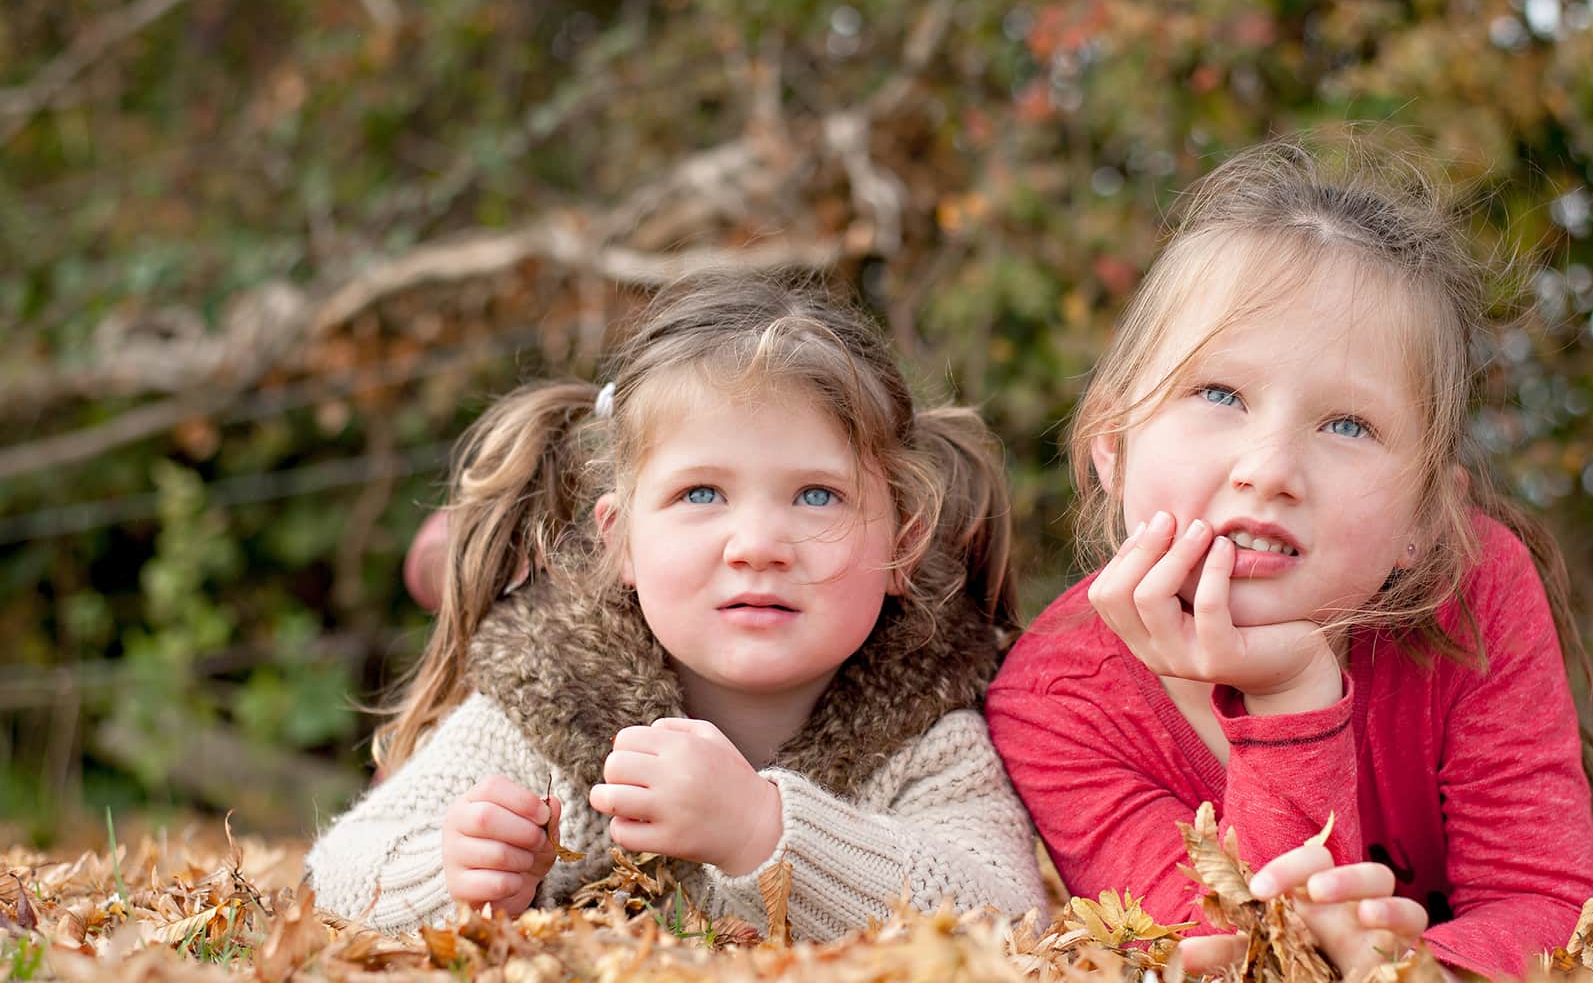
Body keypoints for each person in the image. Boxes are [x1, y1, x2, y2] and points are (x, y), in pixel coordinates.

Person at [985, 137, 1593, 983]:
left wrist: (1421, 977)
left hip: (1562, 879)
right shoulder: (1051, 702)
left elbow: (1554, 907)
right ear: (1110, 446)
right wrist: (1289, 693)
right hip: (1409, 918)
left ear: (1425, 515)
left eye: (1347, 425)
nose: (1268, 468)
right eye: (1219, 394)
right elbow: (1235, 960)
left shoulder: (1477, 581)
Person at [306, 272, 1046, 940]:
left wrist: (765, 832)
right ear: (620, 540)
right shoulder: (554, 706)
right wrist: (454, 870)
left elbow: (1008, 919)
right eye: (701, 494)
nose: (757, 545)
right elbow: (338, 873)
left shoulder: (925, 733)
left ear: (905, 545)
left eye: (817, 494)